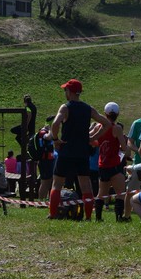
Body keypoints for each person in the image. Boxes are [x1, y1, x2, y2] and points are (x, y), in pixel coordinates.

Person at [45, 79, 111, 220]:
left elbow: (55, 123)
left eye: (65, 90)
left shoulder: (65, 107)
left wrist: (55, 140)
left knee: (57, 184)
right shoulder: (88, 109)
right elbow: (106, 124)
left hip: (66, 151)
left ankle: (52, 214)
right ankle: (88, 217)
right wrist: (92, 137)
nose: (65, 93)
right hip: (82, 152)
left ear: (69, 92)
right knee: (86, 186)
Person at [94, 102, 129, 222]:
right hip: (114, 165)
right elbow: (124, 148)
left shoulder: (98, 127)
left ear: (105, 114)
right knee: (120, 193)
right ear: (117, 114)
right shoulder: (117, 128)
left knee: (101, 193)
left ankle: (98, 217)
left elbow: (94, 142)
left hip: (102, 164)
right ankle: (119, 217)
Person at [122, 100, 141, 220]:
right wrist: (139, 151)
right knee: (131, 189)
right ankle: (126, 215)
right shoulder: (137, 123)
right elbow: (130, 142)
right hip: (139, 162)